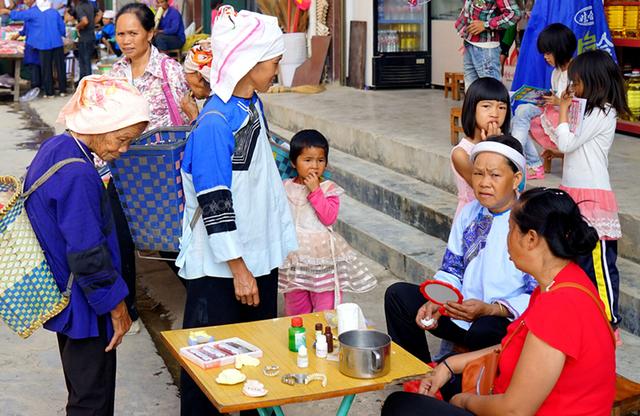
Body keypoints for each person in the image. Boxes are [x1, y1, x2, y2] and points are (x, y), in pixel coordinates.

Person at [382, 187, 616, 416]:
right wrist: (449, 365)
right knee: (433, 384)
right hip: (511, 392)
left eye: (511, 230)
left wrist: (463, 401)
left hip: (520, 407)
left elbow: (514, 410)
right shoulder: (563, 281)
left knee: (401, 406)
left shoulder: (558, 307)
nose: (506, 239)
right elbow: (516, 346)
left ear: (531, 239)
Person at [175, 6, 297, 415]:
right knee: (211, 368)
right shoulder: (214, 122)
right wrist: (240, 269)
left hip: (254, 258)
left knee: (250, 360)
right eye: (275, 62)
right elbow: (215, 203)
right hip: (224, 270)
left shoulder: (250, 104)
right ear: (249, 64)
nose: (278, 69)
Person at [24, 75, 149, 416]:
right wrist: (117, 306)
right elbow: (88, 254)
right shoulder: (78, 173)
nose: (123, 149)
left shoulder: (57, 147)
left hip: (68, 293)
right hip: (84, 303)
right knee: (91, 400)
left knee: (83, 389)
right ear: (100, 123)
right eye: (122, 139)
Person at [385, 135, 536, 364]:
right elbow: (452, 268)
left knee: (486, 329)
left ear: (516, 179)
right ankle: (419, 372)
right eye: (478, 173)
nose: (484, 182)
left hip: (501, 319)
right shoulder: (469, 213)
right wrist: (438, 298)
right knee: (398, 296)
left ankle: (464, 374)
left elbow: (538, 293)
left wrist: (492, 309)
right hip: (461, 311)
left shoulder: (532, 222)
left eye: (495, 175)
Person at [553, 50, 631, 335]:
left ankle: (609, 321)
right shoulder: (586, 109)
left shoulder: (603, 111)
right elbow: (558, 137)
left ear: (594, 81)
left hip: (593, 195)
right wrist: (562, 109)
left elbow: (566, 144)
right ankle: (583, 315)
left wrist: (562, 111)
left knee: (599, 264)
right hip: (574, 190)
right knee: (578, 259)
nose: (573, 88)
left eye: (577, 82)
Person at [278, 130, 377, 315]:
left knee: (324, 310)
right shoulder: (285, 187)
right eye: (307, 160)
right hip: (294, 260)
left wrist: (315, 191)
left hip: (321, 261)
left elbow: (328, 217)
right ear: (293, 162)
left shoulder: (329, 189)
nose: (314, 166)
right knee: (295, 309)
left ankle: (323, 342)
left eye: (320, 160)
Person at [510, 23, 577, 180]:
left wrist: (558, 101)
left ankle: (519, 162)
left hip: (567, 117)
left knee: (521, 116)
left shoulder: (577, 71)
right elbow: (556, 96)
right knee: (520, 113)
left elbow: (579, 105)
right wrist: (544, 99)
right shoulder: (556, 72)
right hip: (552, 110)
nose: (545, 57)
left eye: (548, 53)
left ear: (560, 49)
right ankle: (529, 162)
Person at [111, 2, 190, 128]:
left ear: (149, 34)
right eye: (121, 34)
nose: (126, 41)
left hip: (164, 146)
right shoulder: (116, 72)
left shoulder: (170, 71)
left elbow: (188, 117)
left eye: (133, 33)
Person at [451, 77, 511, 218]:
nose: (495, 114)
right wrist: (491, 145)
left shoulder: (508, 145)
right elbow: (486, 186)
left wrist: (500, 143)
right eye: (486, 106)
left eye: (501, 107)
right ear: (472, 109)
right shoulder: (461, 153)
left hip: (503, 216)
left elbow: (518, 185)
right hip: (473, 218)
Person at [0, 0, 66, 97]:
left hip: (44, 45)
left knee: (46, 68)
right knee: (60, 67)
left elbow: (19, 16)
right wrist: (60, 35)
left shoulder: (33, 12)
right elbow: (62, 28)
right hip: (57, 42)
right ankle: (62, 90)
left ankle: (49, 92)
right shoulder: (54, 12)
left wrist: (7, 11)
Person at [455, 0, 521, 88]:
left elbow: (514, 14)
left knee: (490, 91)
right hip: (469, 43)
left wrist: (486, 25)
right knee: (471, 91)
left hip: (486, 48)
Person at [180, 39, 212, 122]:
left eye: (187, 74)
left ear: (199, 75)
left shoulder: (212, 111)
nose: (186, 80)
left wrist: (194, 117)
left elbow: (202, 135)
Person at [74, 0, 95, 80]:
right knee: (86, 62)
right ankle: (84, 82)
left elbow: (85, 21)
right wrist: (92, 24)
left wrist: (78, 26)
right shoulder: (90, 4)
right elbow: (99, 14)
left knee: (84, 63)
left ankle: (87, 83)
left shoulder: (79, 7)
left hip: (84, 38)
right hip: (91, 36)